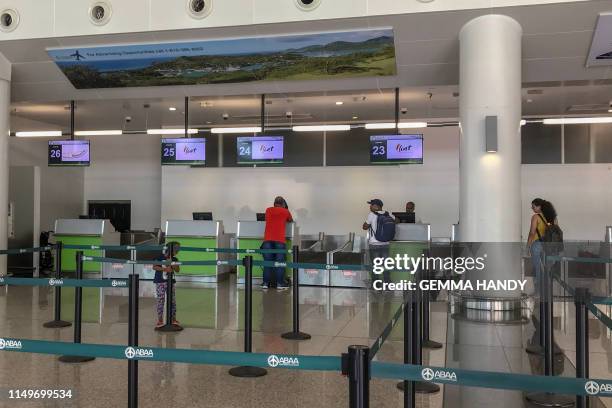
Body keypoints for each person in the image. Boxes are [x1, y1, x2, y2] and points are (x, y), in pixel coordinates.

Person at [261, 196, 293, 290]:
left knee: (267, 263)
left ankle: (265, 283)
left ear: (274, 203)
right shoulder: (285, 211)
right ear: (283, 204)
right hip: (279, 240)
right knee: (279, 263)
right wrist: (285, 208)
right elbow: (290, 220)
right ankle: (280, 284)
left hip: (267, 240)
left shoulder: (268, 210)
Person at [528, 198, 558, 296]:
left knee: (537, 268)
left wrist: (528, 245)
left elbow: (532, 232)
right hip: (551, 246)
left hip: (538, 245)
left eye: (534, 206)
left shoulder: (536, 217)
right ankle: (548, 291)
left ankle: (538, 292)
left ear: (539, 206)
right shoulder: (553, 218)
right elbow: (556, 232)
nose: (532, 208)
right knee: (547, 268)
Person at [363, 199, 394, 283]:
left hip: (374, 244)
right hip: (386, 244)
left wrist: (369, 224)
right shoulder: (388, 214)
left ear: (377, 206)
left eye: (371, 205)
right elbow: (396, 221)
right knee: (386, 264)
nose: (370, 206)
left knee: (375, 265)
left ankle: (376, 283)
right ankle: (387, 282)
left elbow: (365, 227)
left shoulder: (371, 215)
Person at [153, 241, 181, 329]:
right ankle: (160, 320)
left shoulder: (175, 259)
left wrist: (172, 264)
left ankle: (173, 319)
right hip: (160, 281)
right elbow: (154, 267)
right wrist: (165, 269)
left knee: (172, 300)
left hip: (171, 282)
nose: (178, 250)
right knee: (160, 300)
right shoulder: (159, 257)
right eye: (176, 248)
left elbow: (178, 270)